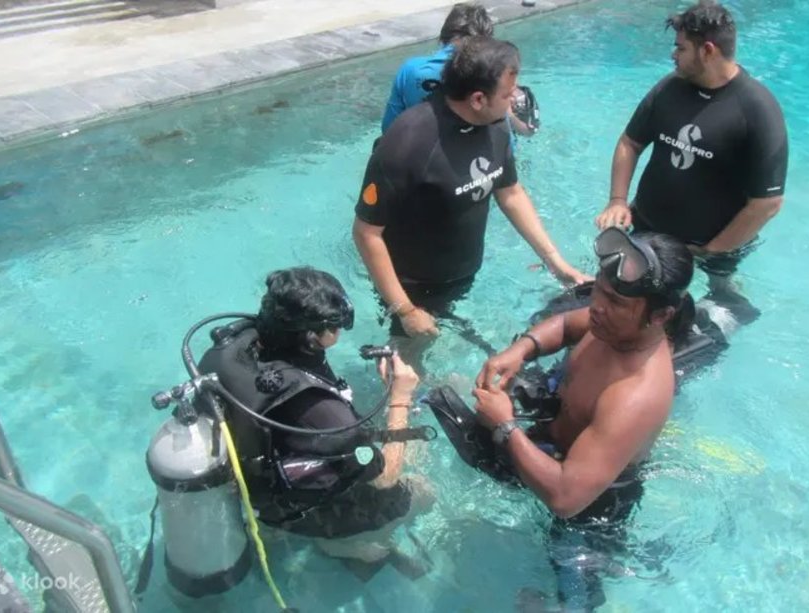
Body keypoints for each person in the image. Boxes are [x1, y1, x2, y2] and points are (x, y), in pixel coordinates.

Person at [425, 229, 695, 610]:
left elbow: (566, 499)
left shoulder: (634, 394)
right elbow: (568, 325)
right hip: (559, 432)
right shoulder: (613, 326)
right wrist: (522, 350)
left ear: (662, 315)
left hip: (590, 502)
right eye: (598, 291)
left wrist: (506, 426)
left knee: (573, 586)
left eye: (614, 301)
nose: (597, 306)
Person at [196, 267, 434, 579]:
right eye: (335, 327)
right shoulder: (330, 418)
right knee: (424, 489)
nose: (339, 332)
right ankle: (344, 545)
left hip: (261, 484)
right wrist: (400, 398)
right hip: (299, 512)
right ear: (311, 337)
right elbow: (384, 478)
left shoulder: (237, 348)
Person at [354, 37, 588, 352]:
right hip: (413, 284)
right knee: (410, 359)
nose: (513, 102)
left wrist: (556, 263)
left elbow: (511, 192)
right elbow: (367, 233)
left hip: (464, 270)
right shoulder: (408, 141)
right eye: (506, 95)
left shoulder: (496, 125)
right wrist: (405, 309)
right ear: (477, 99)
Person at [595, 0, 787, 327]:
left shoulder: (757, 109)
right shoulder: (670, 88)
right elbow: (630, 142)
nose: (673, 55)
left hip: (711, 247)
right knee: (621, 298)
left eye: (680, 48)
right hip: (648, 229)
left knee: (715, 305)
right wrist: (617, 200)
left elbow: (767, 203)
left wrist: (711, 250)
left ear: (707, 50)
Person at [380, 3, 537, 147]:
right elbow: (508, 143)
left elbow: (389, 129)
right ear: (486, 43)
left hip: (420, 159)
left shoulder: (410, 70)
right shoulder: (492, 74)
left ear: (443, 37)